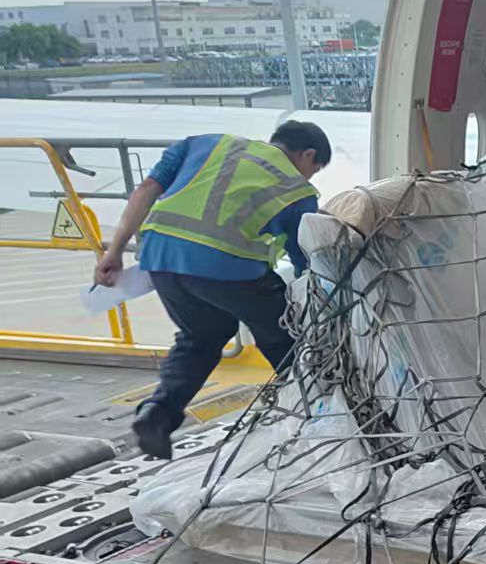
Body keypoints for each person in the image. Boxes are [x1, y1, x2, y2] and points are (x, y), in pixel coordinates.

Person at [94, 121, 332, 459]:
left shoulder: (203, 144)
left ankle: (158, 413)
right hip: (226, 267)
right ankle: (320, 411)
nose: (310, 176)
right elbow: (305, 259)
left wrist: (115, 250)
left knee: (202, 337)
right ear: (307, 154)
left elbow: (145, 189)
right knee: (284, 333)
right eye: (315, 169)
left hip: (160, 257)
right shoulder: (297, 191)